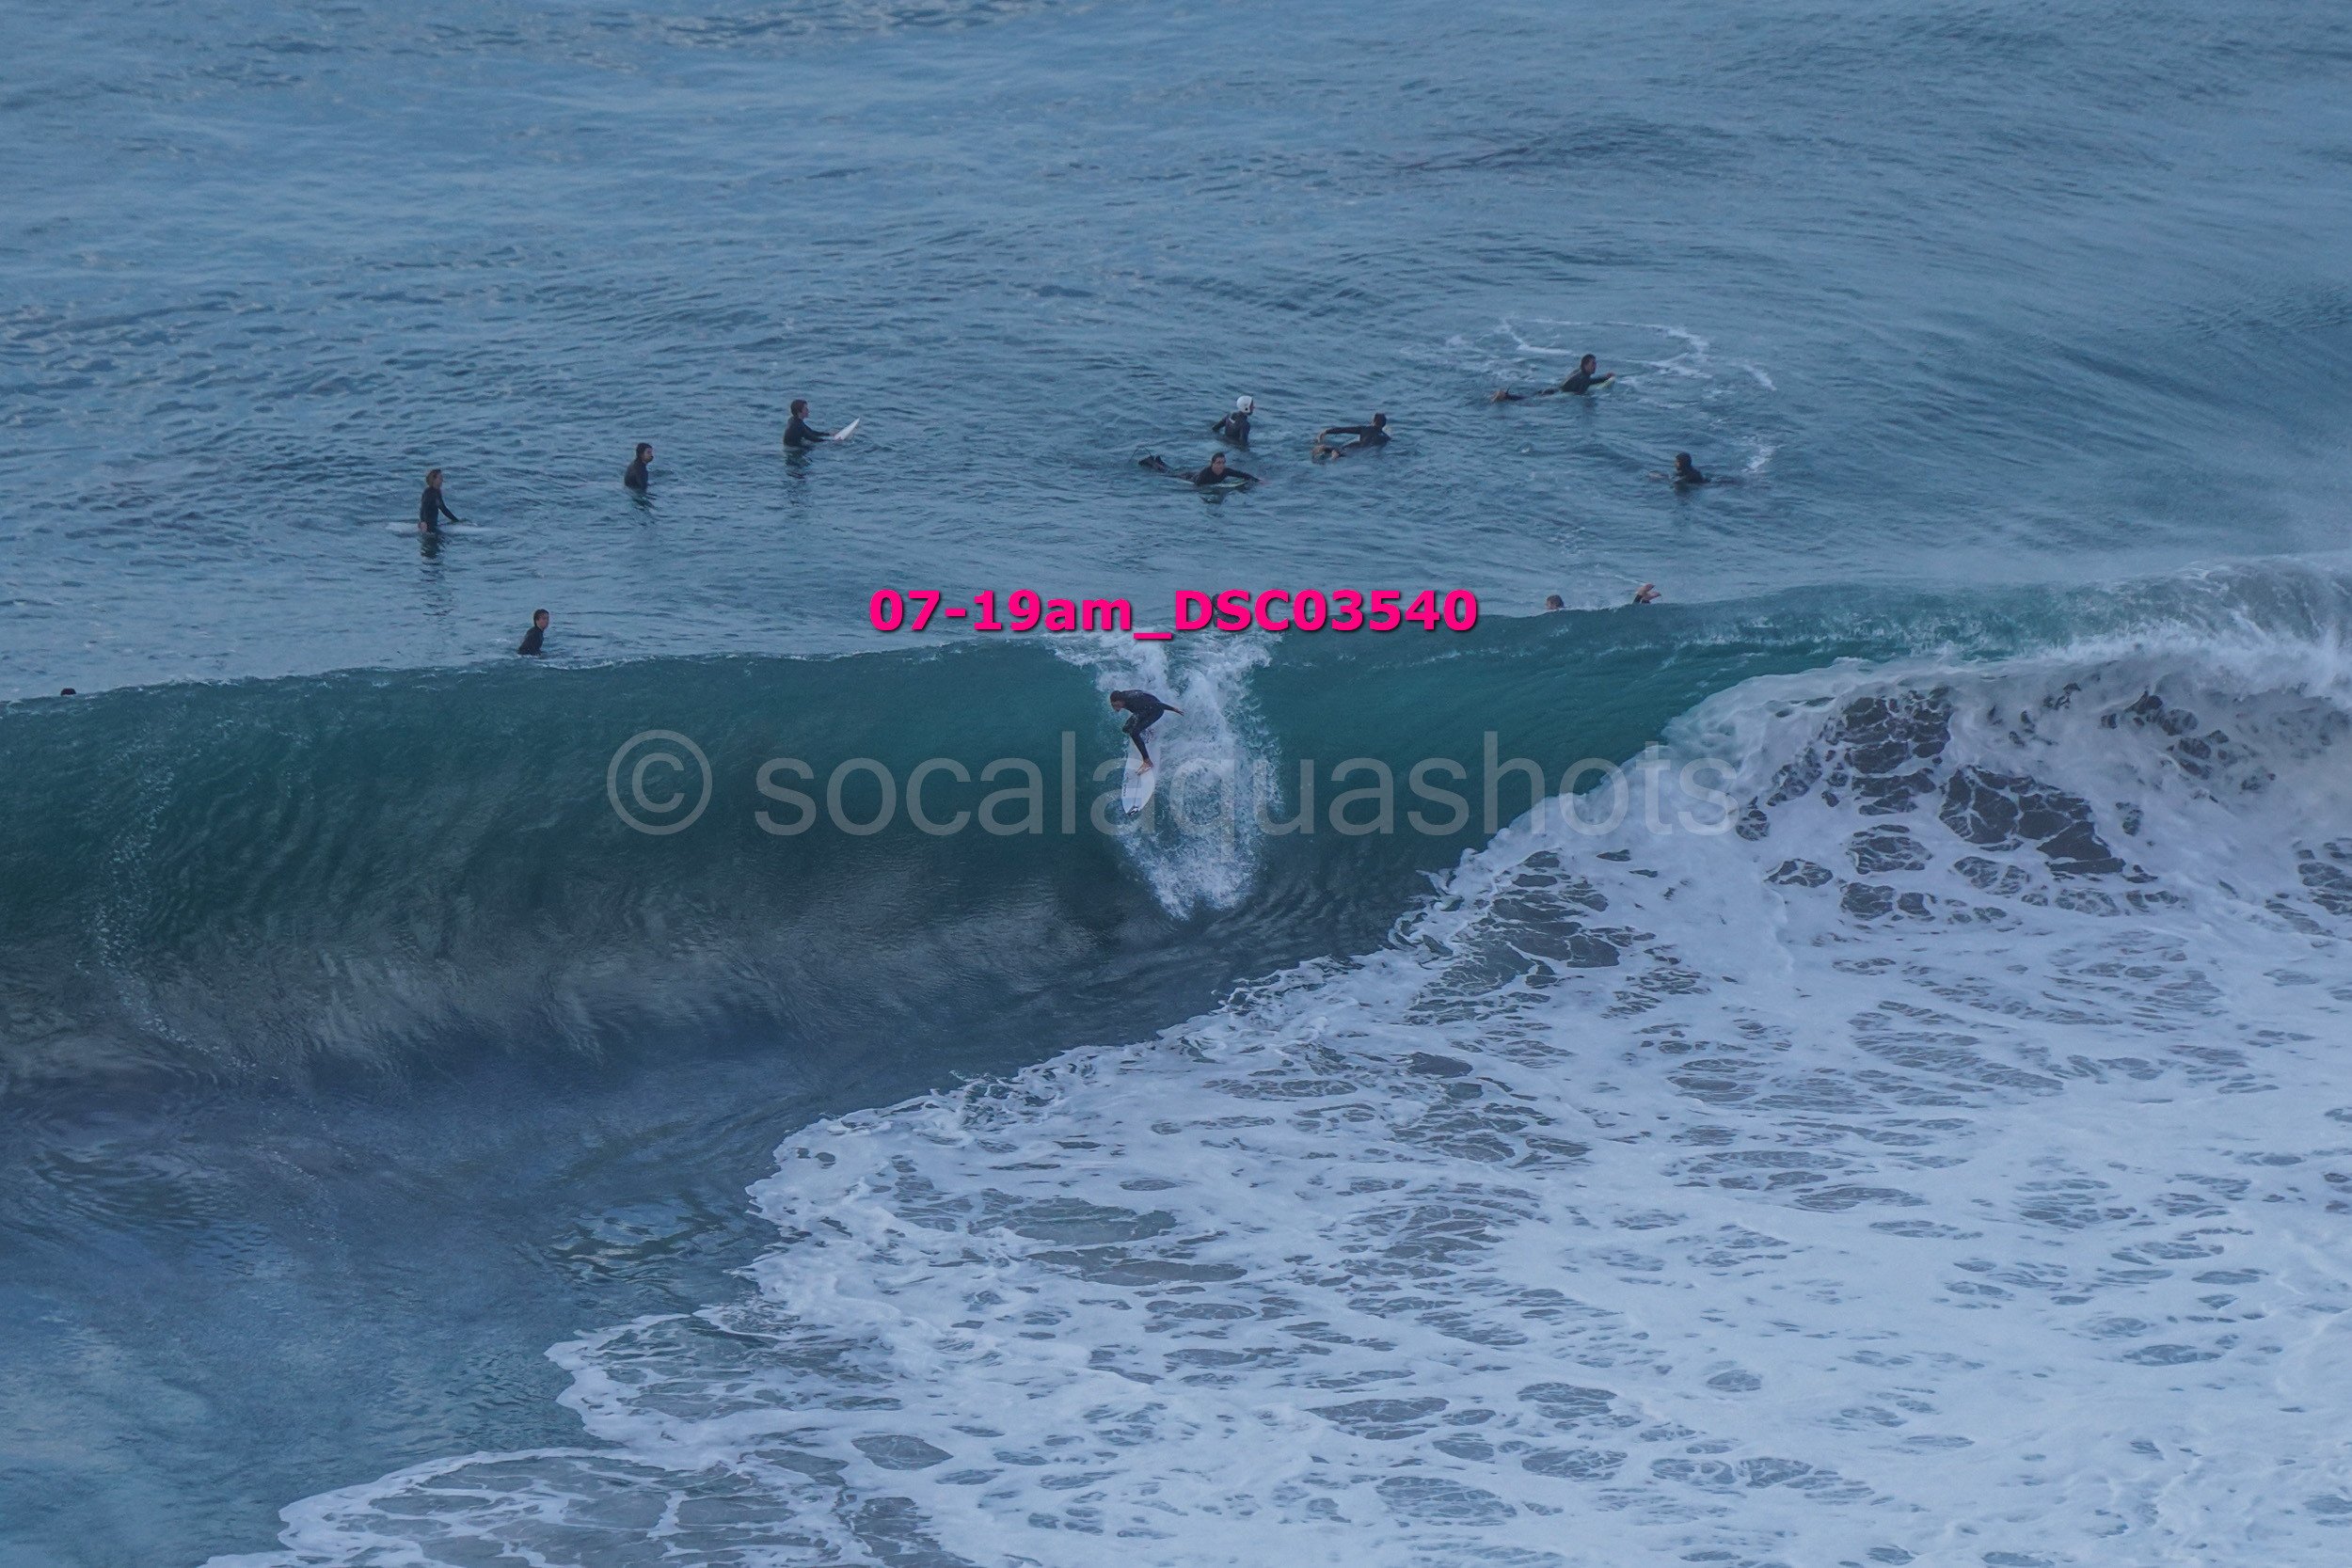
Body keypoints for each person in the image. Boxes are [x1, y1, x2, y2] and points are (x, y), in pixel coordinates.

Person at [1108, 689, 1181, 769]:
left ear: (1120, 701)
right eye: (1113, 705)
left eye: (1115, 705)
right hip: (1144, 710)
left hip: (1156, 711)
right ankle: (1148, 731)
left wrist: (1173, 709)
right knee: (1125, 729)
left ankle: (1147, 761)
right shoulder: (1123, 698)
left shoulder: (1132, 700)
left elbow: (1156, 704)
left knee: (1134, 733)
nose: (1115, 708)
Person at [1492, 354, 1612, 402]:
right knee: (1527, 400)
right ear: (1585, 365)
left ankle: (1504, 395)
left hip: (1552, 389)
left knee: (1529, 397)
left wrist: (1604, 377)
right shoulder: (1584, 379)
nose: (1595, 366)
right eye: (1593, 364)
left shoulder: (1578, 372)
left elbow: (1590, 381)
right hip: (1554, 394)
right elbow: (1580, 394)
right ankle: (1505, 396)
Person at [1138, 451, 1257, 486]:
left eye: (1223, 463)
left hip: (1194, 474)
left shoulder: (1226, 471)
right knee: (1166, 473)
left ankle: (1159, 461)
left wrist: (1257, 480)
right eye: (1218, 463)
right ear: (1212, 464)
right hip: (1188, 477)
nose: (1221, 465)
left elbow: (1242, 474)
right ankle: (1150, 461)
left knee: (1171, 470)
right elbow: (1196, 485)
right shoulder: (1206, 472)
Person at [1311, 412, 1389, 458]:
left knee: (1331, 449)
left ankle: (1330, 452)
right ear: (1383, 425)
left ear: (1373, 421)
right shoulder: (1386, 438)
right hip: (1359, 454)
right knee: (1341, 455)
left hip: (1353, 448)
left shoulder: (1364, 429)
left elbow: (1344, 430)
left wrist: (1327, 431)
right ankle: (1335, 455)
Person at [418, 468, 462, 533]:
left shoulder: (437, 492)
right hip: (428, 527)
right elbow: (423, 508)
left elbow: (443, 509)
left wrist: (456, 520)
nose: (442, 480)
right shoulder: (428, 492)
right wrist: (423, 522)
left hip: (434, 525)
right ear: (434, 480)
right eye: (440, 478)